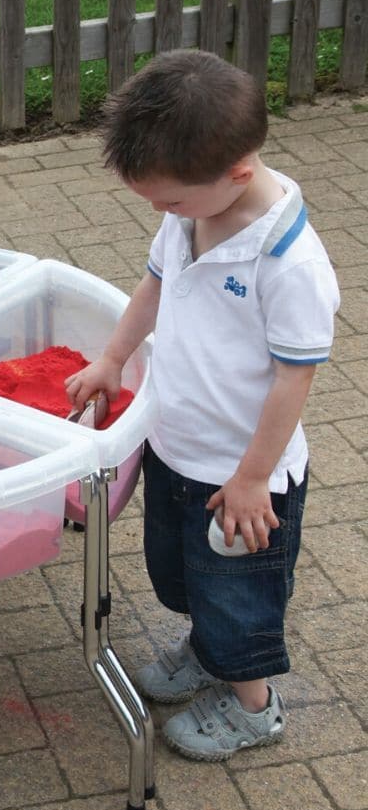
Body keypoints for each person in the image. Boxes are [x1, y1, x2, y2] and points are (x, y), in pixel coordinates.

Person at [65, 49, 340, 761]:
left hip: (244, 481)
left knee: (240, 600)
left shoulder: (290, 264)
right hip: (177, 447)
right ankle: (207, 651)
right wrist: (113, 356)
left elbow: (293, 380)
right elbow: (155, 285)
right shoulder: (192, 215)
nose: (161, 213)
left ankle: (254, 704)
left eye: (169, 200)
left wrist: (251, 479)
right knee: (184, 574)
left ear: (238, 173)